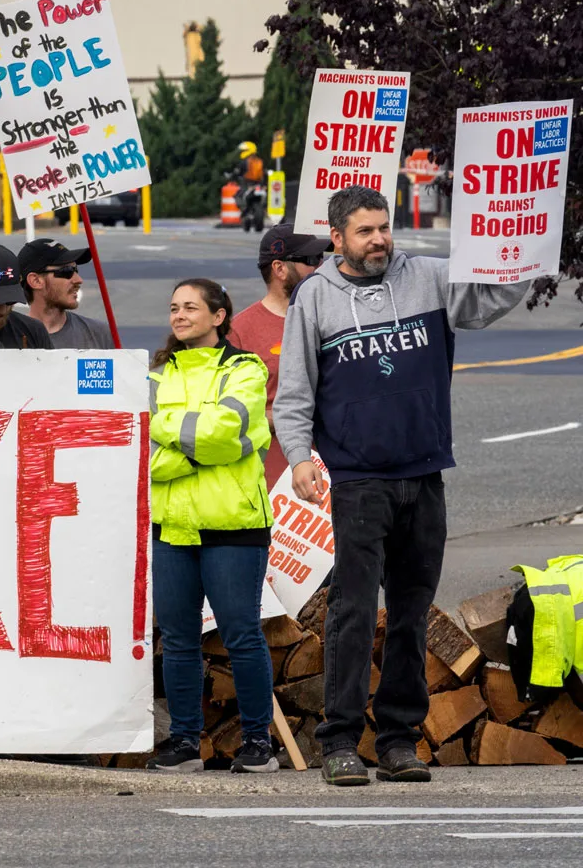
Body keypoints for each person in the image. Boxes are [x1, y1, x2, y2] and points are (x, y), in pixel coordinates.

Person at [277, 185, 532, 786]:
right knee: (354, 612)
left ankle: (396, 740)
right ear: (336, 237)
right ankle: (339, 740)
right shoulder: (314, 299)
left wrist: (524, 260)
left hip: (424, 474)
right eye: (365, 231)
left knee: (412, 616)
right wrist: (299, 457)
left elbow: (487, 300)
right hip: (360, 481)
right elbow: (294, 394)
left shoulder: (428, 277)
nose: (379, 240)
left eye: (384, 228)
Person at [144, 278, 278, 774]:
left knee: (242, 635)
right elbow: (145, 453)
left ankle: (258, 743)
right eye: (174, 307)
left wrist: (170, 436)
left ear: (219, 316)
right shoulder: (157, 374)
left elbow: (230, 434)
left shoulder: (247, 369)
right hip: (173, 526)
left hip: (232, 526)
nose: (179, 315)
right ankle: (183, 742)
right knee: (177, 639)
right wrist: (197, 450)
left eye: (191, 307)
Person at [226, 223, 330, 487]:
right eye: (310, 260)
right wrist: (290, 416)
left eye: (322, 258)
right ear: (280, 269)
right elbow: (228, 415)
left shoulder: (335, 316)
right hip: (275, 479)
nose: (320, 267)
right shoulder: (240, 332)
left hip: (340, 471)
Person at [17, 238, 111, 348]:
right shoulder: (11, 341)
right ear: (36, 281)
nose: (78, 280)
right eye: (66, 271)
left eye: (75, 270)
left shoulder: (99, 334)